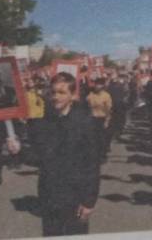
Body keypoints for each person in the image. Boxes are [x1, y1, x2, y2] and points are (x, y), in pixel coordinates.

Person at [34, 72, 101, 237]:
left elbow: (92, 164)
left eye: (62, 92)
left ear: (73, 96)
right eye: (53, 92)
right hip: (49, 195)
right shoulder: (46, 120)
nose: (56, 97)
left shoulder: (85, 122)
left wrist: (89, 201)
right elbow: (39, 156)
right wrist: (18, 149)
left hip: (75, 196)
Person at [86, 78, 113, 160]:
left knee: (102, 139)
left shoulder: (106, 95)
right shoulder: (90, 95)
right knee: (93, 139)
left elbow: (108, 109)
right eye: (96, 84)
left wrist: (107, 121)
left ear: (103, 85)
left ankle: (102, 155)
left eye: (99, 84)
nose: (97, 86)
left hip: (102, 119)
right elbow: (86, 106)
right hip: (92, 119)